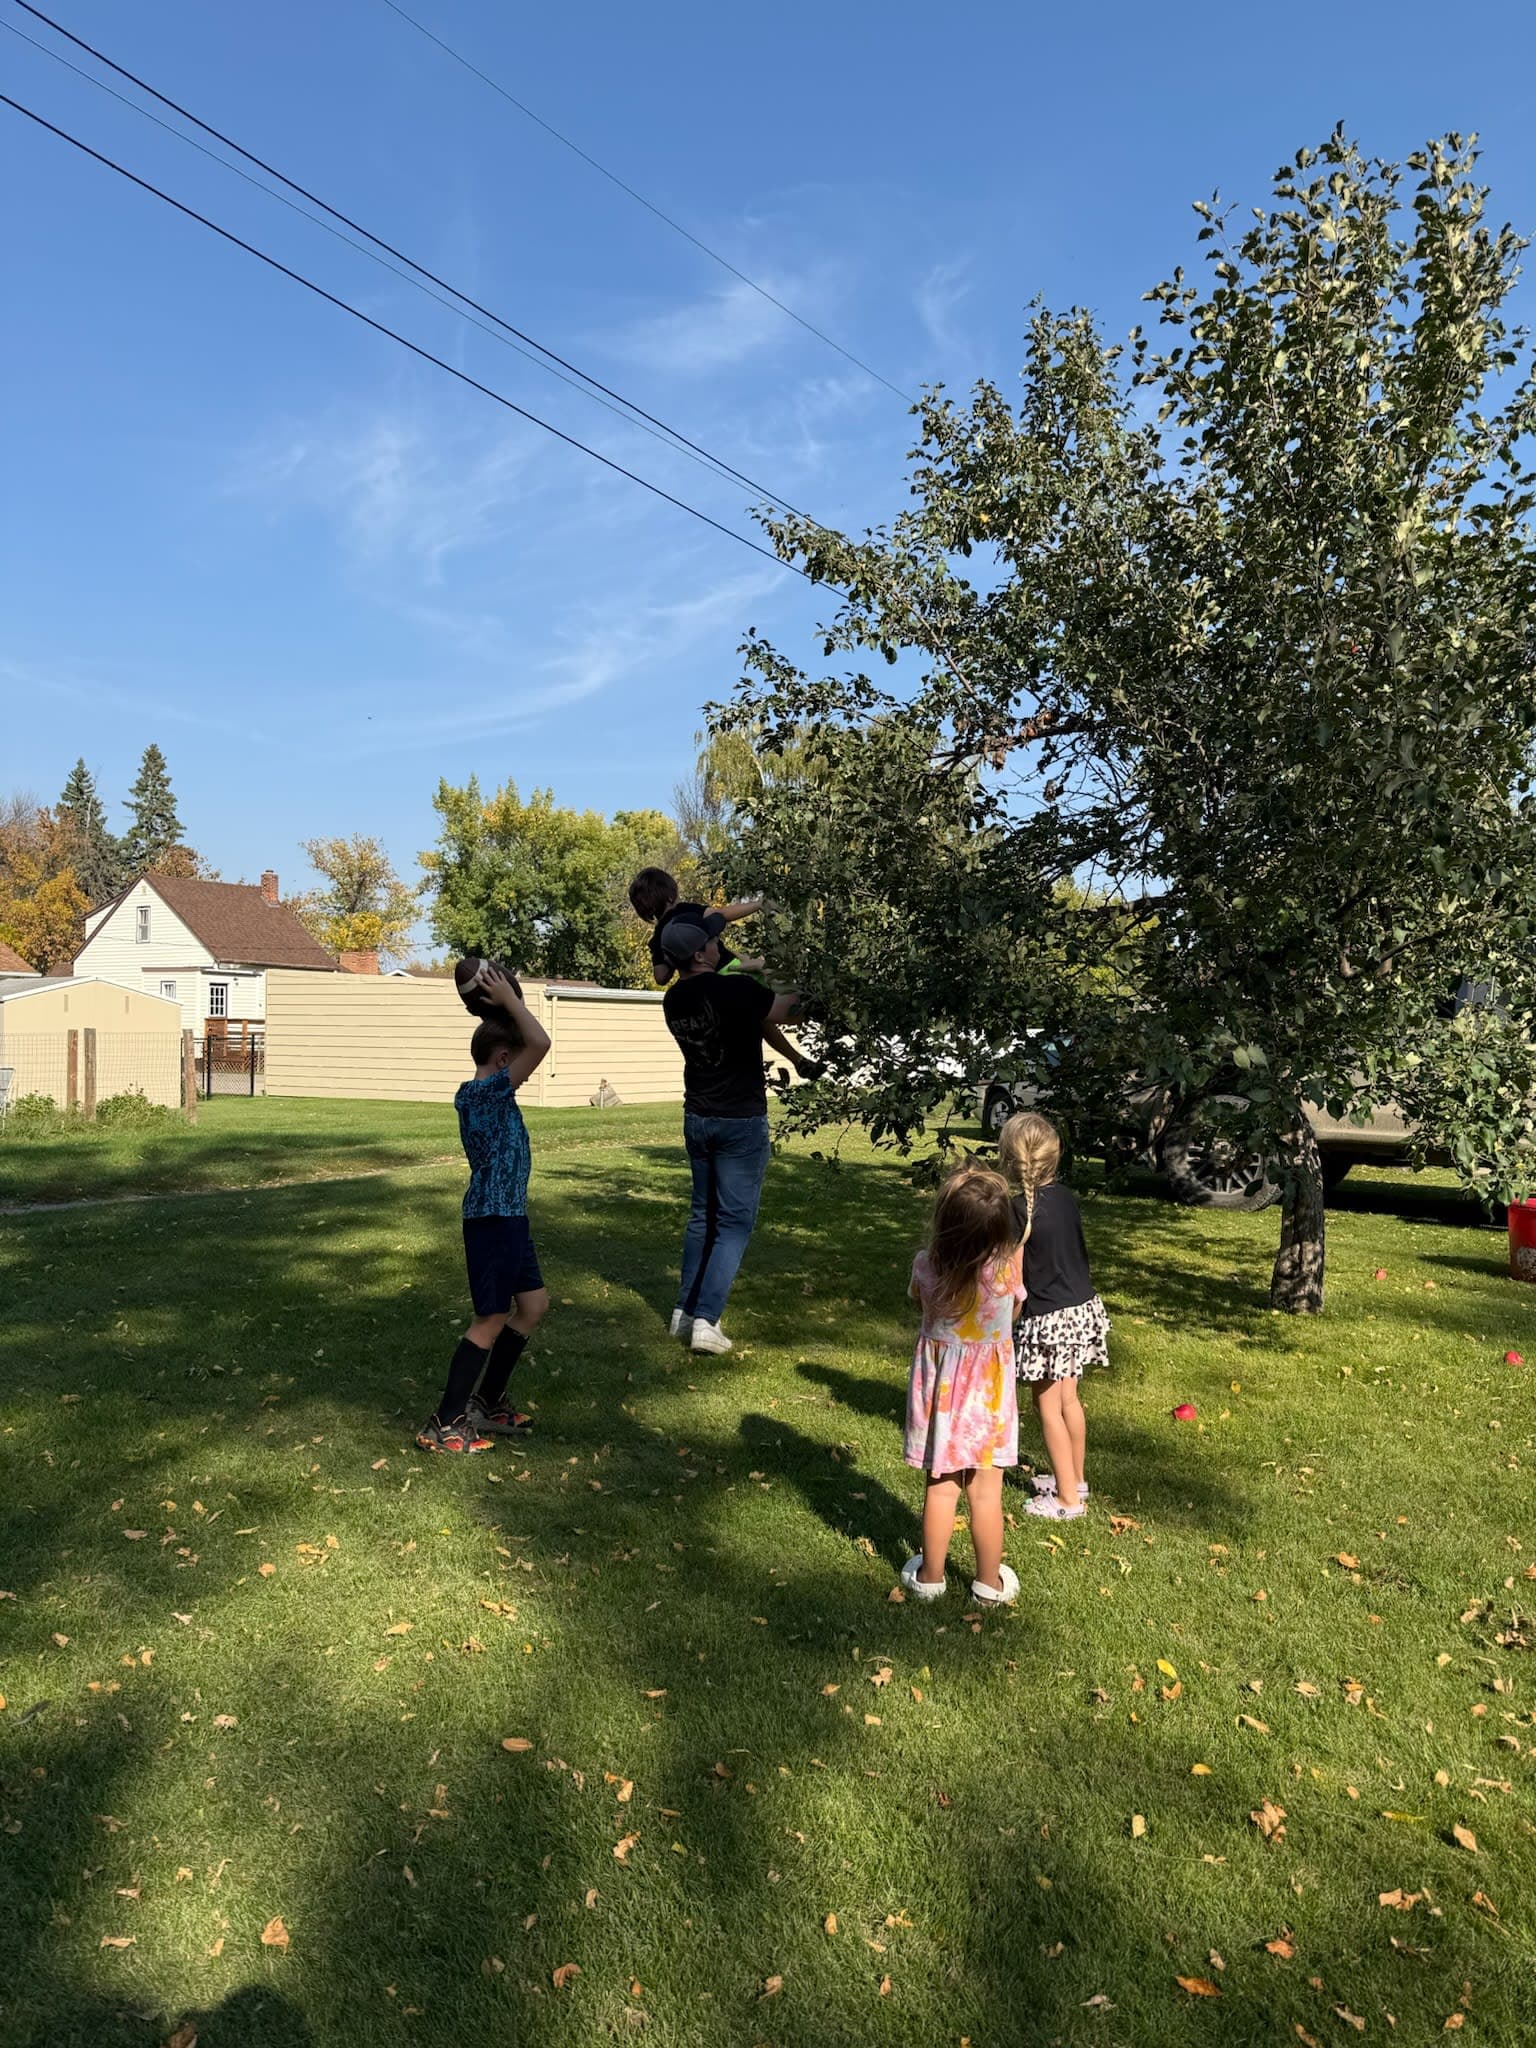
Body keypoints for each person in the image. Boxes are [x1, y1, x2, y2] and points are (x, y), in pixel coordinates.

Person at [417, 964, 552, 1453]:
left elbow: (526, 1041)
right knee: (489, 1319)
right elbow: (540, 1043)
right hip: (492, 1221)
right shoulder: (486, 1094)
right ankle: (446, 1421)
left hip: (509, 1217)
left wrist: (502, 998)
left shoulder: (487, 1092)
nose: (523, 1072)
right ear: (501, 1059)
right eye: (514, 1063)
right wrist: (512, 1004)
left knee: (533, 1306)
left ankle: (486, 1403)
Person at [659, 919, 802, 1354]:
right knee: (735, 1223)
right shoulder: (734, 990)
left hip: (698, 1116)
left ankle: (684, 1313)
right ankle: (707, 1320)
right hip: (739, 1119)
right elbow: (788, 1010)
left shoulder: (674, 999)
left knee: (703, 1215)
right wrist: (799, 971)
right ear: (700, 954)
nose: (720, 945)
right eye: (714, 941)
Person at [900, 1161, 1022, 1606]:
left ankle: (930, 1578)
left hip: (943, 1399)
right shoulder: (1007, 1272)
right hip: (987, 1399)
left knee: (941, 1485)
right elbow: (1016, 1312)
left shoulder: (925, 1268)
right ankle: (989, 1584)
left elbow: (919, 1303)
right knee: (986, 1491)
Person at [998, 1111, 1110, 1520]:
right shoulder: (1065, 1197)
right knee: (1068, 1400)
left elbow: (1012, 1279)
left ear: (1008, 1159)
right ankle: (1074, 1479)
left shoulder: (1016, 1212)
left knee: (1048, 1407)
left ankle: (1067, 1499)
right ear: (1054, 1157)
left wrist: (1004, 1319)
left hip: (1047, 1318)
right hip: (1081, 1309)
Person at [628, 865, 820, 1080]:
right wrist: (759, 904)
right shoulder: (686, 911)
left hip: (707, 986)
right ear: (671, 894)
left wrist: (676, 955)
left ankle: (797, 1059)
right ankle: (820, 1020)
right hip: (732, 970)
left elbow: (660, 977)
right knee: (786, 1002)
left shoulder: (658, 939)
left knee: (760, 1019)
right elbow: (723, 914)